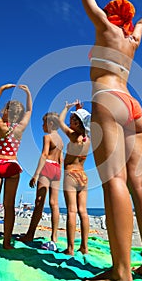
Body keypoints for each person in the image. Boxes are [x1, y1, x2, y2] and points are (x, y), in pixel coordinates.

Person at [43, 0, 142, 281]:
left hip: (108, 100)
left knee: (114, 181)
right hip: (134, 105)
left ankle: (121, 273)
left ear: (112, 16)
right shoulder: (131, 39)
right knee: (140, 183)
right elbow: (140, 24)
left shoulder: (107, 30)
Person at [0, 83, 32, 249]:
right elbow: (30, 111)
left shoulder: (0, 127)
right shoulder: (20, 129)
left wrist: (2, 89)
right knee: (9, 206)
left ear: (6, 112)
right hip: (12, 165)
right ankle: (6, 243)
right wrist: (28, 94)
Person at [19, 112, 64, 249]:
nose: (42, 126)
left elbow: (44, 154)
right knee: (54, 204)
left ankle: (30, 234)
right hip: (57, 169)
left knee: (39, 203)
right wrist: (59, 172)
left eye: (44, 123)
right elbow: (61, 159)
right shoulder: (61, 141)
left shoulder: (47, 137)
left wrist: (36, 174)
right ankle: (54, 236)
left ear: (50, 124)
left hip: (48, 166)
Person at [59, 100, 91, 255]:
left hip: (71, 174)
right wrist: (79, 111)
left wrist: (67, 108)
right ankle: (84, 247)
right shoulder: (87, 139)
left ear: (78, 124)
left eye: (73, 120)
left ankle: (70, 248)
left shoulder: (73, 136)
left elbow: (59, 121)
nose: (69, 121)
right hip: (83, 176)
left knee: (72, 211)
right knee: (83, 212)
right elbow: (85, 126)